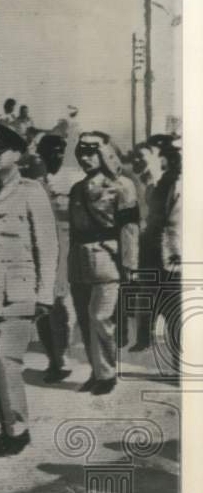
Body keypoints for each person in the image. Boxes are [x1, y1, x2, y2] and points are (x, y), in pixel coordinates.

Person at [0, 124, 58, 456]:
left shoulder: (31, 191)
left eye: (1, 151)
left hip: (19, 285)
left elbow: (47, 245)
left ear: (18, 154)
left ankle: (17, 430)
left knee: (5, 357)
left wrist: (45, 294)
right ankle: (7, 424)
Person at [68, 131, 140, 396]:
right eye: (82, 153)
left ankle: (107, 375)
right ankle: (96, 371)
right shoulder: (77, 188)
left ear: (105, 153)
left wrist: (130, 265)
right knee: (85, 320)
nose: (85, 158)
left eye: (91, 153)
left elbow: (129, 227)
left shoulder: (122, 186)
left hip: (107, 260)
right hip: (79, 261)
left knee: (100, 318)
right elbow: (74, 230)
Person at [35, 134, 81, 383]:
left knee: (62, 304)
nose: (56, 155)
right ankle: (52, 359)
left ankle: (63, 358)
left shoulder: (75, 179)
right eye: (50, 151)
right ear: (41, 154)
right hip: (39, 249)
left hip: (66, 247)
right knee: (42, 306)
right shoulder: (33, 182)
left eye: (60, 150)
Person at [132, 134, 181, 354]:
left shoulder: (168, 182)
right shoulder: (142, 181)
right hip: (148, 246)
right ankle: (145, 337)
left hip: (165, 249)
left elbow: (170, 222)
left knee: (169, 301)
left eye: (142, 156)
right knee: (147, 294)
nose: (137, 160)